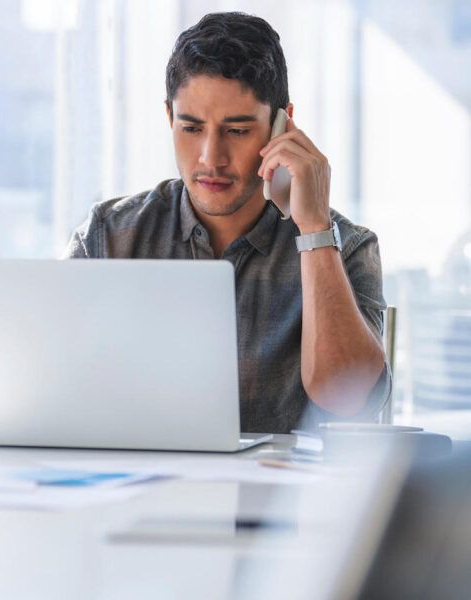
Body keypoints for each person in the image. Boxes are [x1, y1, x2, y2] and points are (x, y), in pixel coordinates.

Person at [63, 12, 390, 433]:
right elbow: (60, 392)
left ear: (282, 126)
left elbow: (347, 400)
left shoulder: (346, 247)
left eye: (236, 131)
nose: (210, 158)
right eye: (191, 128)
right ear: (169, 119)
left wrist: (314, 231)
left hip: (277, 497)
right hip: (141, 490)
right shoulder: (108, 235)